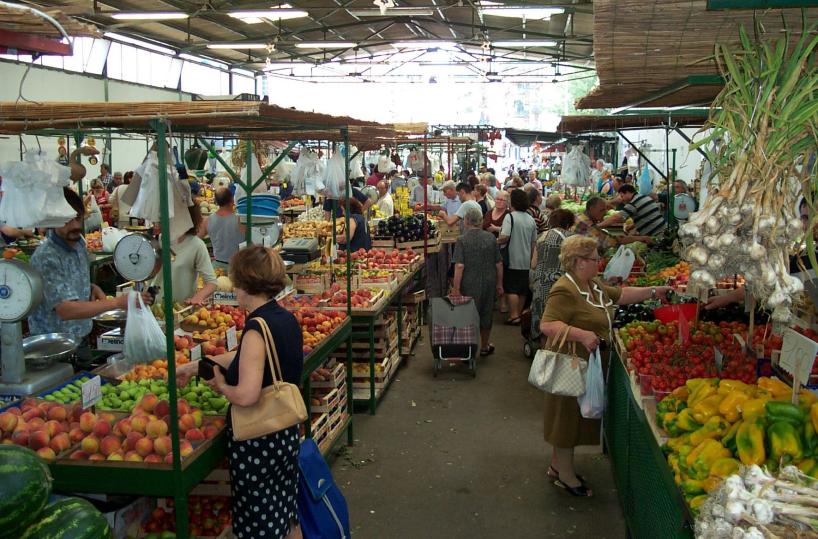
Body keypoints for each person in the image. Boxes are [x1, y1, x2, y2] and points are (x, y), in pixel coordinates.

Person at [176, 246, 303, 539]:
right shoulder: (283, 318)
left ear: (246, 283)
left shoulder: (257, 327)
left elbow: (246, 395)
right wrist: (198, 366)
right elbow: (246, 357)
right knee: (286, 514)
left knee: (261, 523)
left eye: (235, 281)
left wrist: (222, 385)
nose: (233, 287)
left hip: (259, 440)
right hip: (284, 430)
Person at [540, 235, 671, 497]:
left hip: (588, 364)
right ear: (579, 262)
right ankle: (566, 477)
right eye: (594, 259)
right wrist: (582, 334)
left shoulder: (593, 285)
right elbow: (547, 324)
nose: (599, 262)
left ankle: (557, 466)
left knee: (574, 417)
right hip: (571, 363)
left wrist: (654, 291)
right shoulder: (565, 289)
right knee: (566, 418)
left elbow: (621, 295)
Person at [28, 187, 151, 340]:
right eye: (67, 220)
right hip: (55, 344)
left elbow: (68, 280)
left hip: (81, 336)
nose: (75, 225)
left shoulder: (79, 244)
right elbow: (66, 310)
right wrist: (117, 302)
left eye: (78, 218)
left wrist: (90, 287)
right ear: (53, 220)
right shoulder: (46, 257)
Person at [451, 207, 504, 355]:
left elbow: (459, 266)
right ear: (481, 222)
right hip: (489, 281)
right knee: (486, 313)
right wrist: (499, 284)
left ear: (466, 222)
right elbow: (499, 263)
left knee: (468, 313)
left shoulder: (462, 240)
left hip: (468, 282)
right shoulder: (491, 238)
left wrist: (456, 288)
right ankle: (484, 346)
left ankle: (468, 348)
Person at [153, 203, 218, 304]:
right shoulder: (158, 240)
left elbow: (212, 283)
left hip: (180, 309)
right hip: (155, 307)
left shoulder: (196, 245)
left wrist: (198, 297)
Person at [530, 209, 575, 342]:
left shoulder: (541, 237)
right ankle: (558, 347)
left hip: (540, 283)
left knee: (543, 316)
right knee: (559, 317)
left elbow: (533, 263)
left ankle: (543, 347)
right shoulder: (572, 239)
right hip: (562, 283)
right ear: (568, 224)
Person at [498, 189, 537, 325]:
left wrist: (494, 241)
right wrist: (531, 258)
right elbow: (533, 242)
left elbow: (505, 236)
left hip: (512, 258)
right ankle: (519, 315)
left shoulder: (510, 217)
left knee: (511, 288)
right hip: (526, 260)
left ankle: (513, 315)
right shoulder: (530, 219)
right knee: (522, 290)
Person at [598, 184, 666, 239]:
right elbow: (646, 216)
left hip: (656, 235)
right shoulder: (645, 197)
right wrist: (633, 226)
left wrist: (599, 226)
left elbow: (617, 217)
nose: (622, 199)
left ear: (627, 192)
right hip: (663, 230)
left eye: (622, 196)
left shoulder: (633, 203)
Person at [201, 188, 245, 271]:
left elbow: (196, 239)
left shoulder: (207, 221)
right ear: (232, 200)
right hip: (237, 268)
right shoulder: (241, 220)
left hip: (217, 268)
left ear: (216, 202)